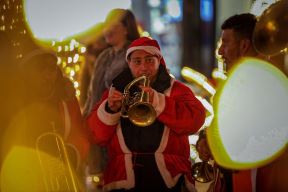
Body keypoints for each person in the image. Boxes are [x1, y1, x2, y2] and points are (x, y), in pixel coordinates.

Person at [87, 37, 206, 191]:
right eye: (137, 61)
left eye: (149, 60)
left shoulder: (177, 90)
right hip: (123, 180)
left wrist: (158, 101)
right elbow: (95, 135)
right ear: (129, 64)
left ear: (159, 61)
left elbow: (195, 120)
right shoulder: (115, 91)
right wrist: (110, 109)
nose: (143, 67)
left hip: (169, 178)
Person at [1, 49, 90, 191]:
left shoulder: (66, 100)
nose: (47, 76)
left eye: (52, 70)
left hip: (62, 179)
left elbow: (79, 136)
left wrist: (71, 155)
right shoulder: (13, 105)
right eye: (41, 70)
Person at [83, 9, 140, 189]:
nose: (107, 30)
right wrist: (85, 118)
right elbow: (92, 93)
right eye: (106, 25)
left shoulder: (135, 54)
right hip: (98, 123)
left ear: (126, 28)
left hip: (121, 126)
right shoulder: (104, 56)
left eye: (113, 25)